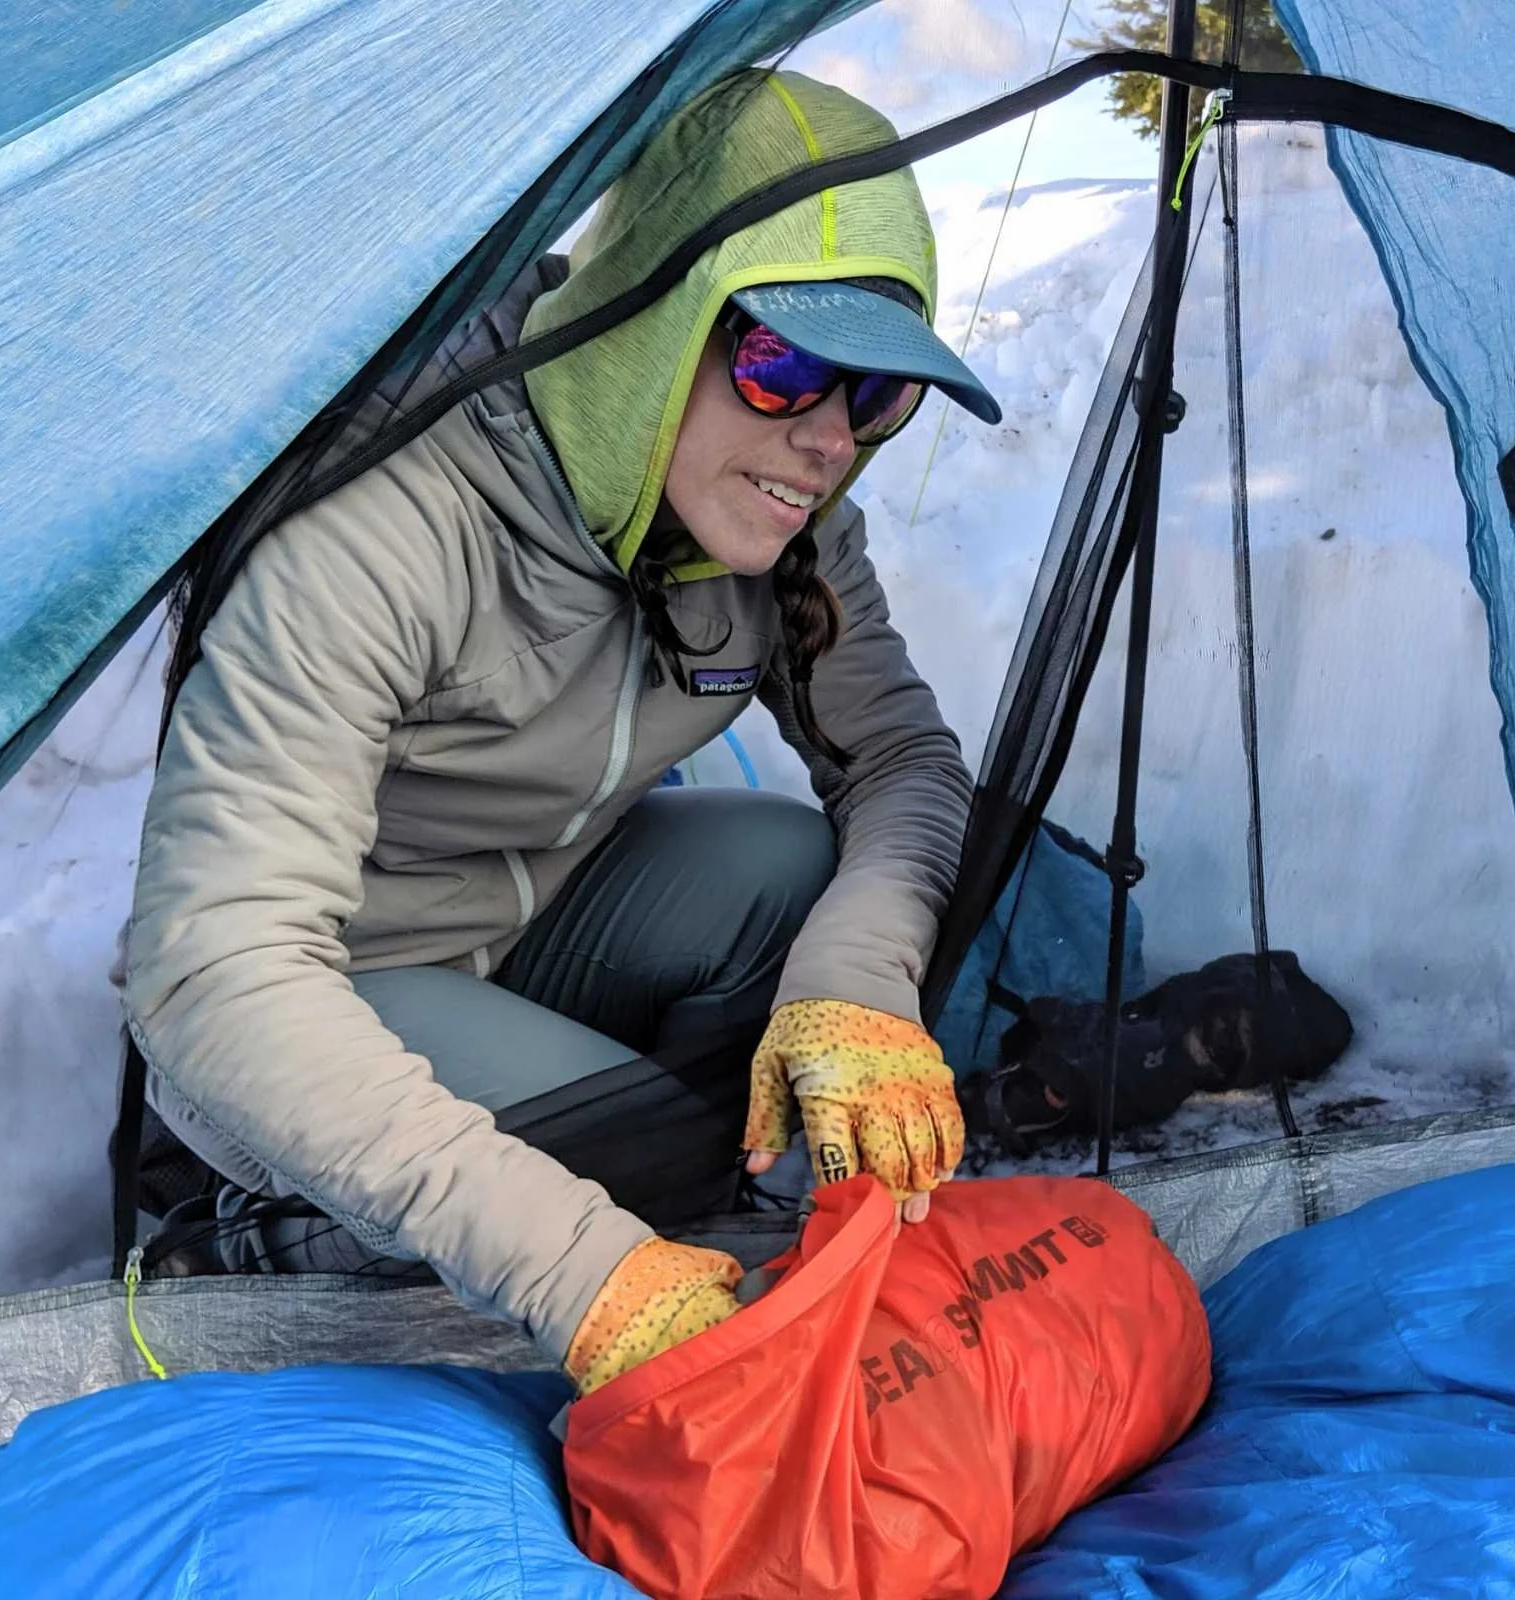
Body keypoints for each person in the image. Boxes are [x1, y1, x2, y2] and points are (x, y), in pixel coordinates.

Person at [123, 71, 1001, 1396]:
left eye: (875, 395)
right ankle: (266, 1223)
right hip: (315, 988)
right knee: (625, 1176)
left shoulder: (775, 510)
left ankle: (626, 1170)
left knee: (800, 879)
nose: (827, 439)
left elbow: (903, 762)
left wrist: (854, 986)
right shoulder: (390, 523)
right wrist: (585, 1276)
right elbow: (213, 971)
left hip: (536, 917)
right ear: (654, 319)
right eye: (782, 364)